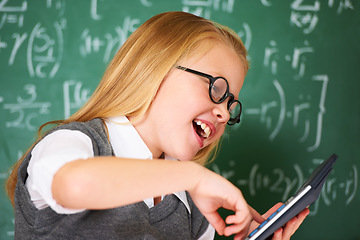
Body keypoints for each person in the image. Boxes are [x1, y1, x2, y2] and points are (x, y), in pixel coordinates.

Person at [6, 11, 309, 240]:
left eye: (231, 104)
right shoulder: (75, 144)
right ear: (156, 68)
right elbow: (73, 184)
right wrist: (192, 177)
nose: (225, 115)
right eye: (217, 89)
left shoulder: (193, 206)